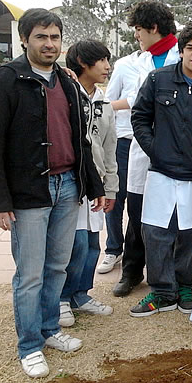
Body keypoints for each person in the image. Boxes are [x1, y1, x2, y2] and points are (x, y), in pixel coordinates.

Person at [0, 8, 105, 378]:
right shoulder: (5, 79)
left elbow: (80, 140)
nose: (49, 44)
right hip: (29, 192)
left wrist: (93, 184)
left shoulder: (67, 82)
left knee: (57, 267)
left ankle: (50, 329)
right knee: (30, 273)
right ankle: (30, 344)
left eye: (54, 37)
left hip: (67, 186)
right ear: (24, 39)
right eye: (41, 37)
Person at [130, 22, 192, 317]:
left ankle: (186, 285)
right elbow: (140, 117)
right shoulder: (158, 80)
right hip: (162, 173)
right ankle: (162, 291)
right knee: (156, 231)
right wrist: (156, 149)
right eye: (190, 48)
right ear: (181, 50)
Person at [106, 1, 181, 297]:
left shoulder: (186, 53)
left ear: (153, 28)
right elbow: (135, 104)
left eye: (138, 29)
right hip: (142, 148)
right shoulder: (139, 61)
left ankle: (173, 275)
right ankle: (132, 272)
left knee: (174, 217)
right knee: (137, 214)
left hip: (177, 151)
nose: (136, 35)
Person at [59, 40, 119, 327]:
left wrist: (110, 188)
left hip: (97, 186)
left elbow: (109, 148)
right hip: (73, 183)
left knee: (93, 244)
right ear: (82, 62)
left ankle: (81, 294)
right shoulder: (66, 93)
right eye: (102, 60)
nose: (107, 67)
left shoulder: (104, 103)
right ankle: (61, 298)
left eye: (108, 60)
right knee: (75, 244)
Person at [99, 41, 141, 277]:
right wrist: (133, 102)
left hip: (152, 143)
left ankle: (142, 254)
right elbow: (108, 101)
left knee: (143, 204)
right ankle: (114, 248)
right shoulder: (125, 64)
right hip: (124, 141)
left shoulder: (173, 59)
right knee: (114, 198)